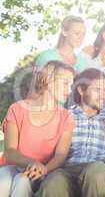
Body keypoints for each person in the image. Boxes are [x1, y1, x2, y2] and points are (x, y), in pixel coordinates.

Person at [0, 61, 75, 197]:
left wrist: (43, 169)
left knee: (22, 181)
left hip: (41, 173)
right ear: (48, 80)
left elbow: (60, 155)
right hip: (13, 166)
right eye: (65, 83)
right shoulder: (17, 109)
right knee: (3, 180)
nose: (69, 90)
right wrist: (32, 163)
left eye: (71, 85)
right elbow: (10, 152)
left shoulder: (66, 117)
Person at [37, 68, 105, 197]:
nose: (103, 95)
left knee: (97, 173)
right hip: (67, 170)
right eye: (97, 90)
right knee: (53, 182)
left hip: (97, 168)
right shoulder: (64, 115)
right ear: (81, 90)